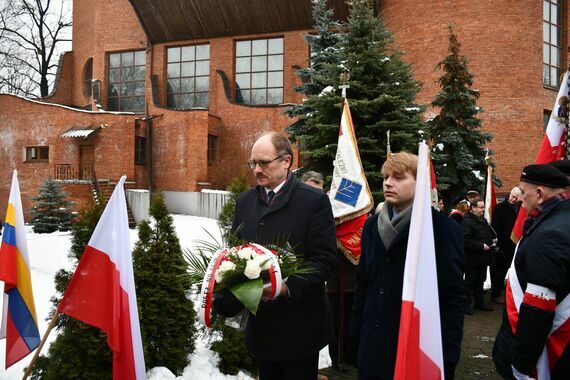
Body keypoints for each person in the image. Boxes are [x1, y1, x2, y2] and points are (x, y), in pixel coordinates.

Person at [216, 132, 337, 380]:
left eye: (264, 163)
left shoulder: (313, 201)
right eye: (253, 163)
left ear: (286, 161)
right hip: (263, 326)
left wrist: (286, 288)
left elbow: (325, 260)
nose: (257, 170)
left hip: (300, 326)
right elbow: (236, 254)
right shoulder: (245, 202)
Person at [351, 151, 465, 380]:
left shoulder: (441, 229)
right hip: (373, 345)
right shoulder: (372, 226)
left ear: (419, 182)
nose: (388, 183)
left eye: (399, 177)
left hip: (418, 346)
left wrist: (448, 353)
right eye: (385, 178)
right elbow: (364, 284)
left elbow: (452, 295)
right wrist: (356, 336)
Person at [493, 164, 570, 379]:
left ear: (539, 194)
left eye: (523, 192)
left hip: (539, 360)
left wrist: (521, 366)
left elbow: (538, 310)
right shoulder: (557, 220)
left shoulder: (550, 234)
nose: (520, 199)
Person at [301, 171, 357, 372]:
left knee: (343, 329)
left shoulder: (338, 211)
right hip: (305, 288)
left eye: (320, 191)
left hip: (340, 283)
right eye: (310, 190)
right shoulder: (297, 215)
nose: (316, 195)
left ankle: (343, 367)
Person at [462, 197, 496, 314]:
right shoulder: (467, 221)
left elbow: (486, 234)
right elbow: (465, 240)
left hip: (483, 259)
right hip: (472, 259)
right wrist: (481, 246)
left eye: (483, 207)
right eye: (481, 207)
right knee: (469, 283)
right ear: (473, 208)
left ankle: (479, 303)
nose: (483, 209)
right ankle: (465, 305)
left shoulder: (482, 220)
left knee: (480, 281)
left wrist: (493, 240)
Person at [490, 187, 522, 304]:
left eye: (516, 198)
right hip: (503, 244)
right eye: (512, 197)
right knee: (499, 270)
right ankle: (495, 294)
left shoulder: (520, 208)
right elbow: (495, 227)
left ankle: (501, 288)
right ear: (509, 195)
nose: (514, 199)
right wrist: (497, 244)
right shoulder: (500, 208)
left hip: (515, 244)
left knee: (508, 269)